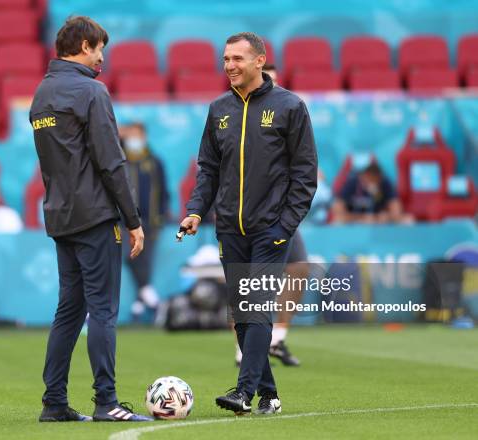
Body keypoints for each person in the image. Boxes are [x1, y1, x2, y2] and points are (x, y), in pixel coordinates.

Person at [180, 32, 318, 415]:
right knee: (242, 310)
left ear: (260, 60)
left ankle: (243, 391)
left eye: (237, 58)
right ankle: (269, 395)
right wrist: (195, 210)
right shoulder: (218, 108)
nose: (229, 66)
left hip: (270, 230)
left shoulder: (291, 107)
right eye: (225, 59)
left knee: (257, 306)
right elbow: (208, 168)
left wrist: (285, 225)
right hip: (229, 229)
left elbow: (305, 174)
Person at [29, 16, 152, 422]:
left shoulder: (42, 94)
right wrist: (133, 219)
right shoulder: (91, 91)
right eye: (99, 48)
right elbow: (111, 162)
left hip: (61, 216)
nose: (102, 57)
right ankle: (107, 402)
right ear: (83, 46)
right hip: (96, 216)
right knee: (103, 310)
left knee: (69, 310)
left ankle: (54, 403)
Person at [118, 122, 169, 320]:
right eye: (130, 136)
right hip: (125, 223)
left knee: (144, 261)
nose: (134, 140)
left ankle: (140, 304)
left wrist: (160, 217)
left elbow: (163, 192)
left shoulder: (155, 162)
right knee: (129, 257)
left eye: (137, 135)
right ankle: (150, 299)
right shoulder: (120, 161)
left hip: (150, 222)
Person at [331, 162, 413, 224]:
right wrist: (361, 218)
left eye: (375, 181)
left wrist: (387, 216)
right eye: (368, 180)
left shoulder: (384, 183)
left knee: (408, 221)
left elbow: (396, 209)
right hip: (355, 222)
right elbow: (338, 209)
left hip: (378, 224)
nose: (371, 184)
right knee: (337, 222)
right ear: (363, 176)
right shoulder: (352, 182)